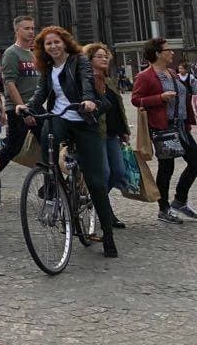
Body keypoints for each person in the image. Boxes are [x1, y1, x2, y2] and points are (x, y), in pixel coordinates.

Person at [20, 26, 118, 257]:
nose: (53, 47)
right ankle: (54, 184)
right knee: (47, 139)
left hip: (84, 119)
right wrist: (28, 107)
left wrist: (88, 101)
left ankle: (108, 235)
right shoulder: (47, 68)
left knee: (96, 182)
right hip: (61, 117)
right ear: (44, 48)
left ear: (64, 43)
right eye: (48, 44)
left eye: (56, 42)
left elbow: (86, 83)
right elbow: (40, 93)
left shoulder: (79, 60)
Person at [130, 37, 197, 224]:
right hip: (163, 127)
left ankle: (179, 201)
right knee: (167, 167)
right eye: (168, 50)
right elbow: (136, 100)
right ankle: (164, 208)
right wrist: (160, 97)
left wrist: (188, 119)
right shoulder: (145, 76)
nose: (172, 52)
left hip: (181, 126)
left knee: (195, 161)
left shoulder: (172, 73)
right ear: (158, 53)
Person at [83, 42, 129, 228]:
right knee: (104, 173)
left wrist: (124, 130)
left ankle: (95, 200)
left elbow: (118, 107)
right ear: (90, 60)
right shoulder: (86, 81)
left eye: (106, 56)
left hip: (112, 134)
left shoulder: (109, 79)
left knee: (118, 172)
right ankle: (106, 212)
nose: (104, 59)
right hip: (96, 134)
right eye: (100, 56)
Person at [0, 15, 40, 170]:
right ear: (17, 30)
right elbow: (9, 83)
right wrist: (23, 109)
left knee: (50, 143)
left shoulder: (32, 54)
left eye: (32, 28)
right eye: (26, 28)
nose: (31, 31)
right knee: (12, 148)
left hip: (35, 106)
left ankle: (50, 185)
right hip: (18, 108)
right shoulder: (11, 53)